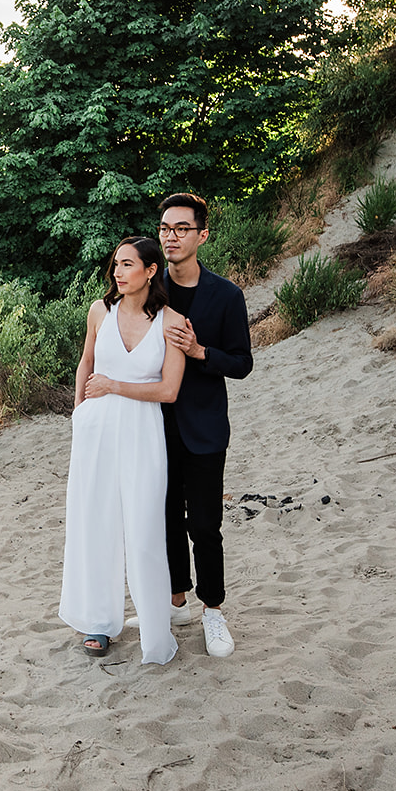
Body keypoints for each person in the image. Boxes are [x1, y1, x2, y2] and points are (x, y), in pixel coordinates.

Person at [59, 236, 188, 664]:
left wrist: (114, 386)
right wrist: (79, 412)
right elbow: (86, 362)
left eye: (128, 264)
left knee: (145, 529)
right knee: (96, 522)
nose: (118, 272)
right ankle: (99, 622)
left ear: (151, 270)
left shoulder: (173, 322)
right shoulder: (100, 311)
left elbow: (169, 391)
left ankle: (155, 629)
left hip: (142, 431)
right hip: (96, 430)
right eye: (116, 264)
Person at [154, 192, 253, 658]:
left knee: (206, 524)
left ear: (202, 235)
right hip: (153, 425)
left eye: (181, 229)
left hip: (206, 427)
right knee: (164, 518)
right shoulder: (149, 291)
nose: (171, 237)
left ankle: (212, 609)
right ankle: (176, 603)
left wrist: (199, 353)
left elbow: (242, 363)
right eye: (165, 229)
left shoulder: (227, 295)